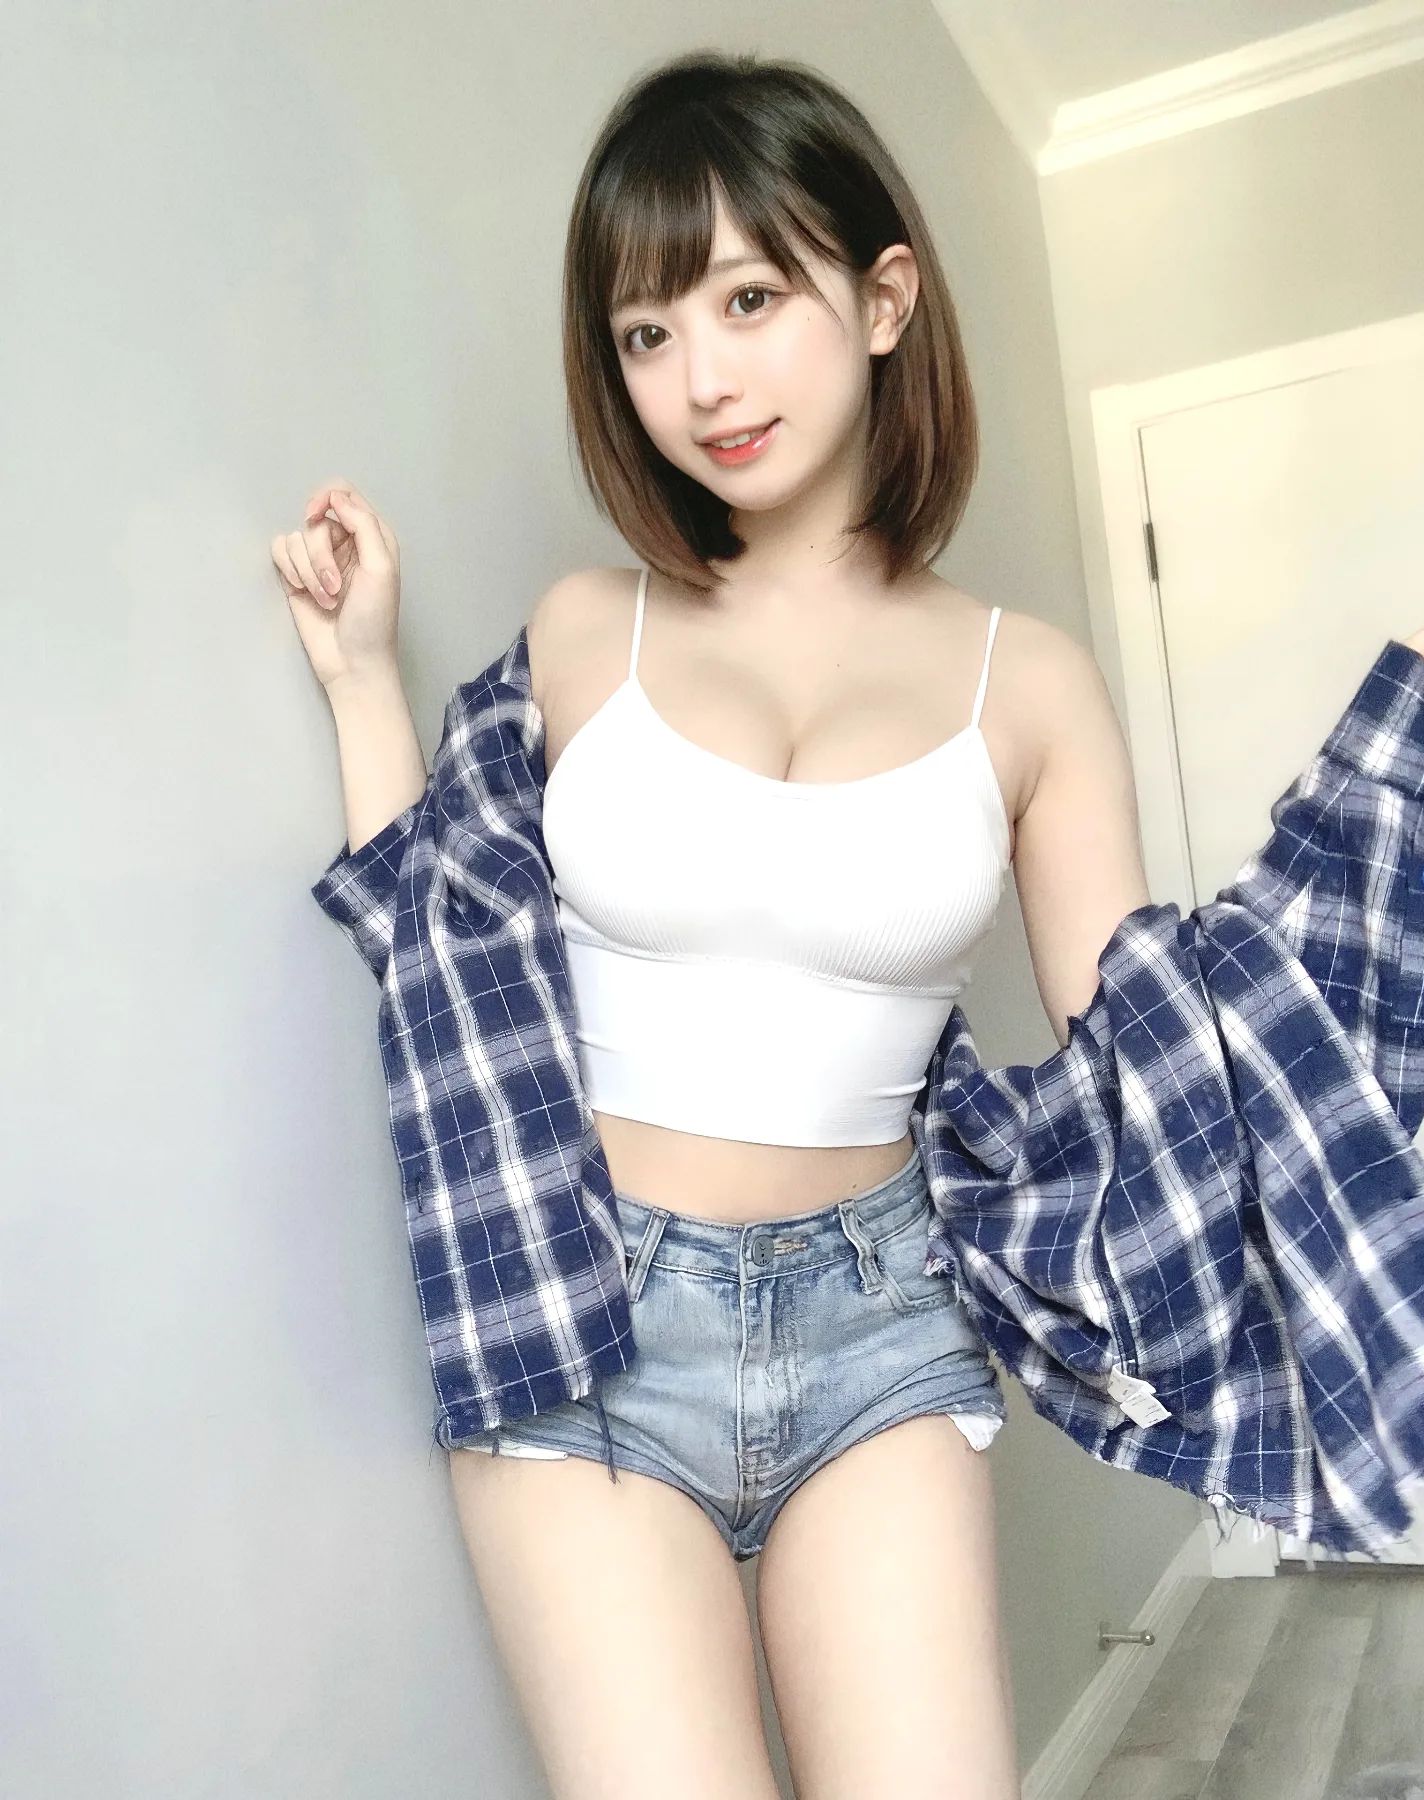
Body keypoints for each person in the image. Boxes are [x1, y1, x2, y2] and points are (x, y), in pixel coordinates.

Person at [272, 48, 1165, 1800]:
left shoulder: (1034, 685)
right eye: (647, 331)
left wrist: (1401, 811)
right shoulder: (582, 630)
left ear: (885, 298)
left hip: (884, 1319)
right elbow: (440, 939)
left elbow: (1152, 1073)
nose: (701, 379)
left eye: (749, 298)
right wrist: (365, 677)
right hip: (582, 1313)